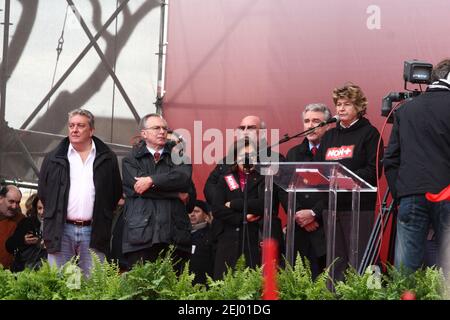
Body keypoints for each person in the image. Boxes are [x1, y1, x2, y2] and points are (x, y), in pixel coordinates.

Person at [297, 83, 382, 280]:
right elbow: (319, 169)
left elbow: (372, 171)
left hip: (359, 209)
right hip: (332, 208)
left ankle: (372, 294)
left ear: (359, 107)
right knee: (336, 263)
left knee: (365, 262)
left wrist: (343, 178)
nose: (341, 109)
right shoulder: (329, 136)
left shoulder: (369, 134)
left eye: (347, 104)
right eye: (338, 104)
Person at [384, 58, 450, 273]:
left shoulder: (405, 111)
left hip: (411, 195)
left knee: (405, 271)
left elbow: (391, 159)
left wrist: (401, 193)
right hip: (447, 194)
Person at [38, 108, 122, 275]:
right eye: (71, 125)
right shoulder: (53, 157)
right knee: (60, 282)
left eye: (80, 126)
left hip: (94, 230)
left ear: (91, 130)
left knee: (93, 284)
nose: (74, 130)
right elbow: (44, 193)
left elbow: (114, 193)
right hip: (61, 229)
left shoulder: (107, 158)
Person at [121, 113, 194, 273]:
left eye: (164, 128)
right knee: (141, 293)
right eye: (156, 128)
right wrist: (174, 194)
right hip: (141, 235)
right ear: (144, 133)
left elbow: (182, 179)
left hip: (174, 236)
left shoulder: (179, 156)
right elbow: (137, 190)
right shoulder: (131, 159)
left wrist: (151, 181)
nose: (162, 132)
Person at [210, 137, 282, 279]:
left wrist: (234, 204)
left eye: (252, 156)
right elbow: (217, 209)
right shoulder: (226, 178)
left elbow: (264, 204)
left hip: (254, 239)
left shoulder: (265, 178)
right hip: (228, 240)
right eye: (243, 156)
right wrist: (243, 217)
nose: (247, 159)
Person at [285, 103, 332, 277]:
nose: (310, 125)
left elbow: (338, 186)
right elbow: (285, 190)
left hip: (326, 224)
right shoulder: (293, 153)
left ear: (327, 125)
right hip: (300, 228)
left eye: (316, 121)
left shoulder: (335, 151)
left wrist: (314, 213)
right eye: (307, 121)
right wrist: (300, 214)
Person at [6, 194, 47, 272]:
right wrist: (23, 240)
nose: (42, 212)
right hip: (23, 270)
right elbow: (9, 245)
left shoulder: (58, 227)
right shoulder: (27, 223)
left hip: (46, 271)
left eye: (45, 208)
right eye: (39, 208)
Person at [189, 200, 214, 285]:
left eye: (196, 211)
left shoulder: (212, 235)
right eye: (189, 211)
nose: (192, 214)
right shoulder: (181, 234)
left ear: (206, 215)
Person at [0, 185, 24, 269]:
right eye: (11, 201)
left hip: (9, 273)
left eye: (17, 202)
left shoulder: (22, 220)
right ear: (1, 199)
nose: (14, 206)